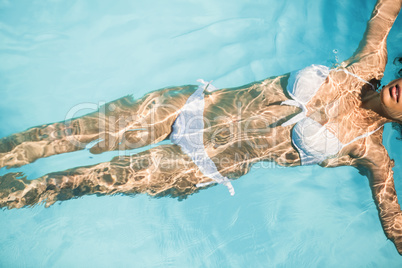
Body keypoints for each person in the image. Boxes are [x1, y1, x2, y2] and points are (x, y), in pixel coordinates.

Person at [1, 0, 402, 254]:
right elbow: (386, 9)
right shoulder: (366, 66)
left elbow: (394, 224)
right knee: (59, 136)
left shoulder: (371, 151)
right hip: (188, 107)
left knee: (67, 183)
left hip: (197, 165)